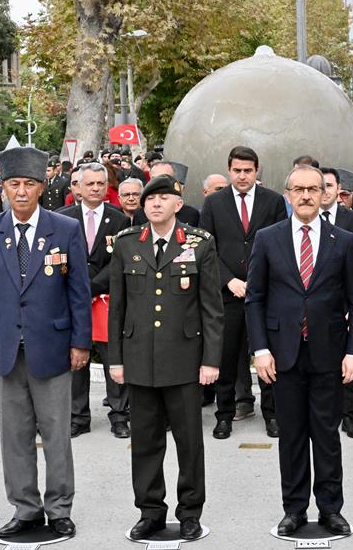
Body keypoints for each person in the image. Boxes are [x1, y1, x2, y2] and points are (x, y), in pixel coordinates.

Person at [0, 146, 92, 540]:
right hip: (4, 346)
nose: (21, 192)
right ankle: (25, 509)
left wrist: (81, 342)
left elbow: (79, 292)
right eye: (13, 184)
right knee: (15, 436)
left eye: (29, 184)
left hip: (52, 346)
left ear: (42, 187)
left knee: (57, 433)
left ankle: (59, 509)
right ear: (3, 187)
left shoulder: (65, 228)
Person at [245, 164, 353, 538]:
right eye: (298, 189)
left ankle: (331, 508)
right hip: (283, 355)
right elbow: (255, 298)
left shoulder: (343, 241)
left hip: (330, 353)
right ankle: (294, 509)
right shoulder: (268, 238)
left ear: (325, 193)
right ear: (287, 194)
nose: (306, 196)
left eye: (313, 189)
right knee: (292, 435)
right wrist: (261, 350)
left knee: (327, 437)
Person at [108, 175, 224, 541]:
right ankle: (150, 511)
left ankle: (190, 512)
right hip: (139, 359)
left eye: (163, 198)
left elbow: (212, 309)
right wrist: (116, 359)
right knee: (145, 443)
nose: (155, 204)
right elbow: (118, 308)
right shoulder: (128, 244)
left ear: (178, 204)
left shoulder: (198, 243)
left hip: (185, 360)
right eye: (149, 199)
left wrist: (211, 360)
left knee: (189, 443)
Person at [200, 146, 287, 440]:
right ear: (229, 170)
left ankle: (272, 414)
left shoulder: (273, 201)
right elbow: (207, 249)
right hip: (228, 295)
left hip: (265, 294)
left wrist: (258, 282)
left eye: (248, 171)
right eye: (237, 170)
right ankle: (224, 415)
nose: (242, 176)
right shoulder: (214, 203)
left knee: (266, 355)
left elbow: (279, 244)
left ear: (257, 170)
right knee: (226, 358)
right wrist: (229, 281)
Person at [57, 163, 131, 439]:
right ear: (77, 187)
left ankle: (119, 415)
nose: (96, 188)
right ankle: (78, 416)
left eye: (101, 184)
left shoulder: (120, 219)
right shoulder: (63, 218)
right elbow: (58, 257)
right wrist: (76, 288)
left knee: (114, 357)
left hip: (105, 299)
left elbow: (119, 262)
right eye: (90, 184)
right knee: (77, 359)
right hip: (72, 301)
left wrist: (89, 287)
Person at [320, 167, 353, 439]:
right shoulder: (301, 220)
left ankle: (350, 415)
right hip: (318, 306)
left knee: (351, 358)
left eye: (330, 185)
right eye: (322, 185)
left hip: (350, 302)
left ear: (339, 189)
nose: (326, 190)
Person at [150, 161, 200, 227]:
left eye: (164, 179)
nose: (158, 184)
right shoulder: (141, 213)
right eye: (154, 179)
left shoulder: (191, 214)